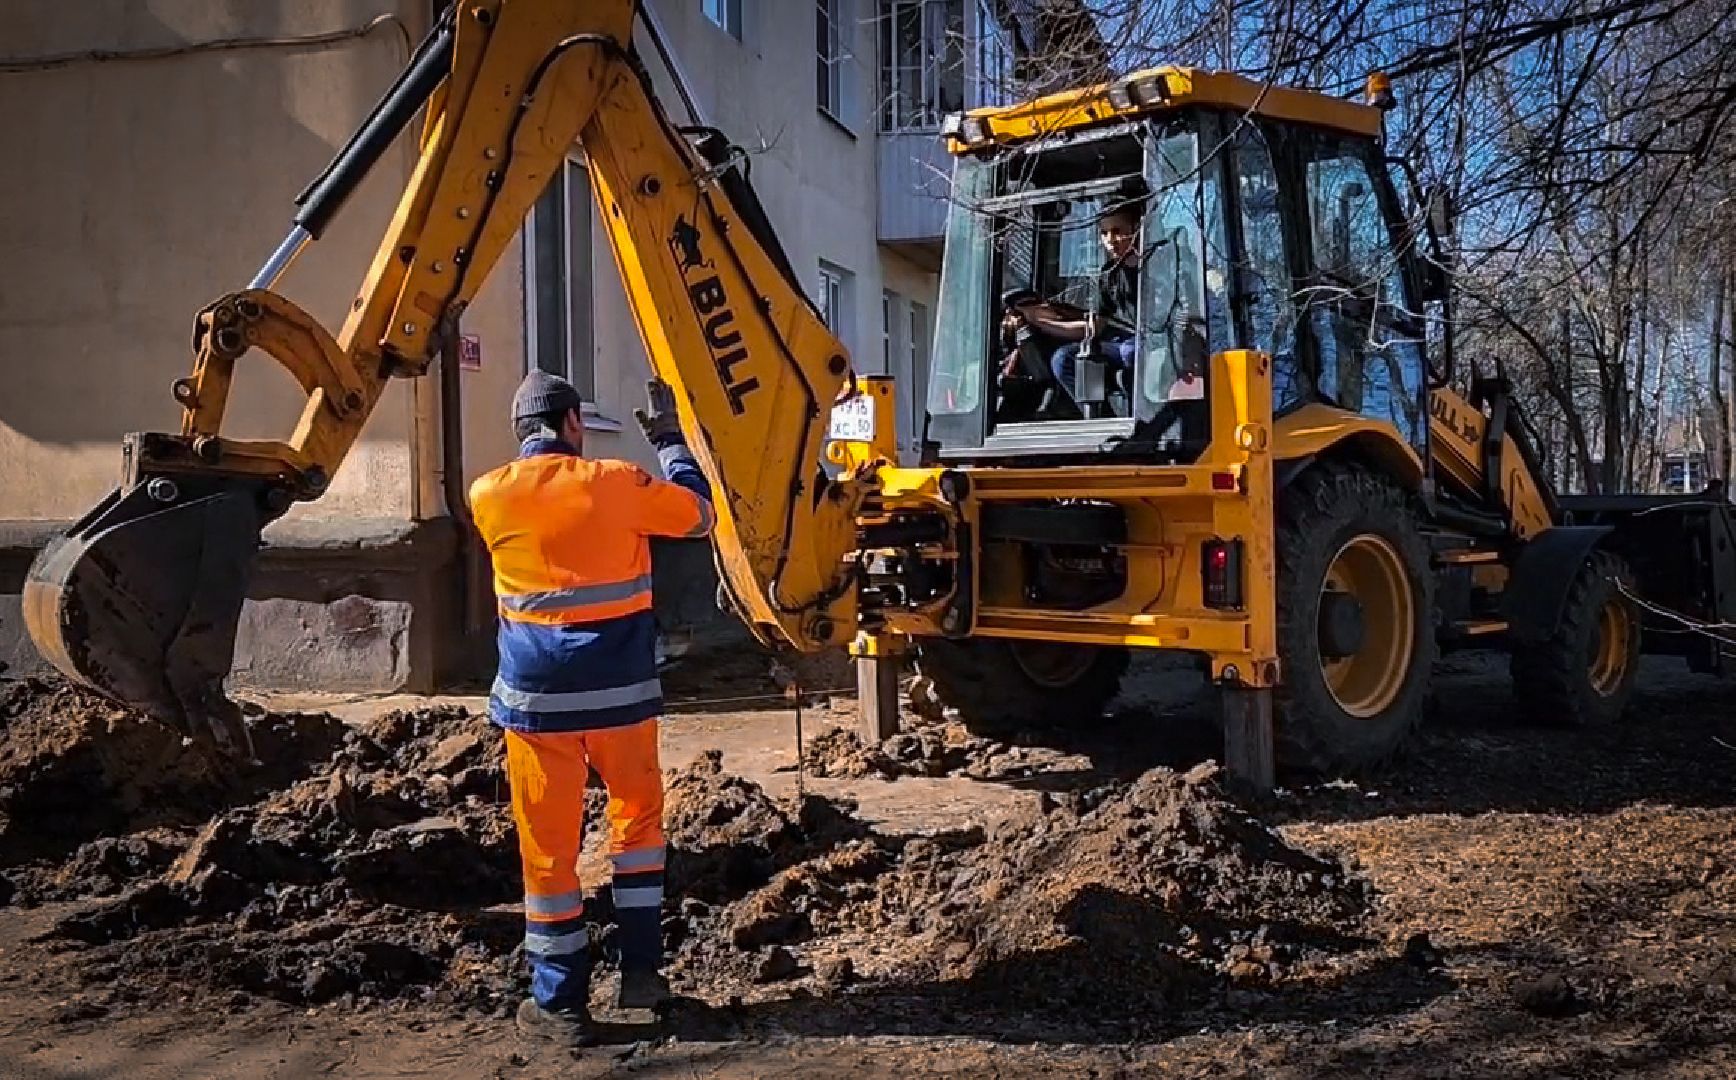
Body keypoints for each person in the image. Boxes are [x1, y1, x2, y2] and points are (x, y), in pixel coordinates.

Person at [467, 370, 714, 1046]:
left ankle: (561, 1007)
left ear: (521, 430)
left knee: (548, 855)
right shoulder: (613, 482)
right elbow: (699, 516)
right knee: (636, 827)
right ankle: (641, 976)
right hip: (622, 699)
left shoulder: (487, 496)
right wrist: (670, 442)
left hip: (536, 707)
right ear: (574, 423)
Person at [1011, 199, 1144, 409]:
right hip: (1120, 343)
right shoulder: (1108, 274)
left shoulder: (1153, 266)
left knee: (1131, 352)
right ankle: (1101, 419)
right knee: (1063, 359)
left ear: (1136, 228)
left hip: (1147, 342)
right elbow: (1095, 327)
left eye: (1117, 231)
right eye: (1104, 233)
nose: (1111, 240)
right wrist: (1041, 322)